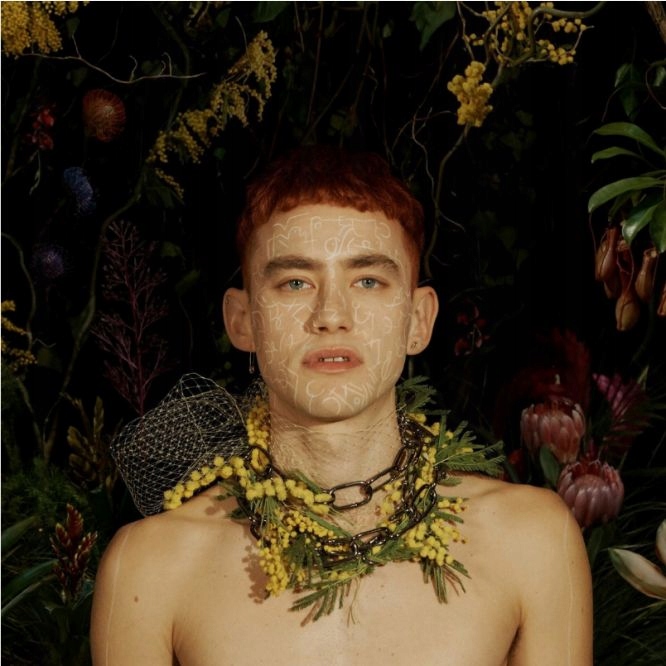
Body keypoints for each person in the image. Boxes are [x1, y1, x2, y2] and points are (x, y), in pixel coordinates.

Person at [90, 145, 593, 665]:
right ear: (242, 321)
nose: (331, 315)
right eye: (295, 282)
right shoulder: (151, 568)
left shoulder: (532, 542)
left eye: (368, 281)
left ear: (418, 319)